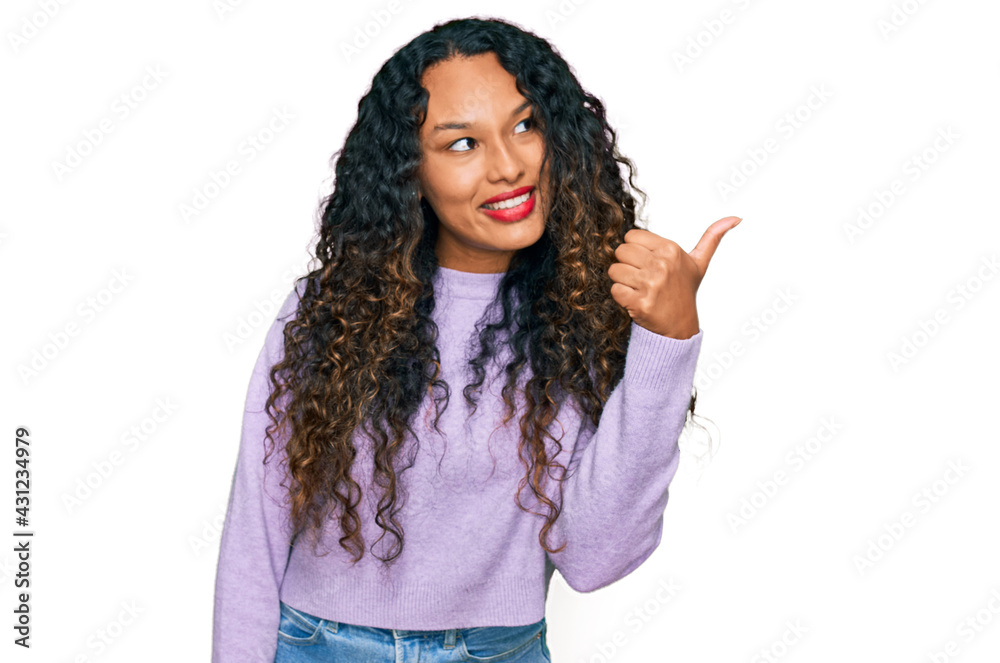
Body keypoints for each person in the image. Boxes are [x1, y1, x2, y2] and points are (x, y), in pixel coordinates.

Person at [212, 16, 738, 663]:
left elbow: (597, 556)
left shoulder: (581, 316)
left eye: (525, 125)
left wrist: (668, 338)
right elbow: (255, 532)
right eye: (462, 144)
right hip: (319, 645)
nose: (509, 166)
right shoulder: (333, 310)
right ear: (411, 170)